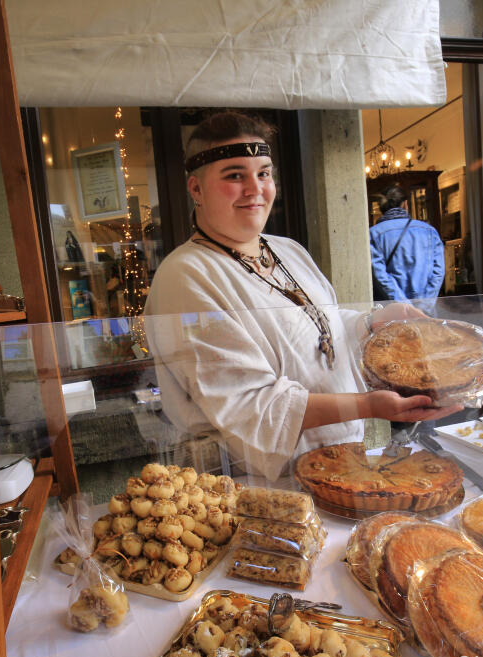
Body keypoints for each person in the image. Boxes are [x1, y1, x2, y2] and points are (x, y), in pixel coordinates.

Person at [143, 112, 460, 480]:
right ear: (195, 189)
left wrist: (376, 320)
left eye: (263, 173)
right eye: (234, 175)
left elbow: (322, 327)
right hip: (260, 486)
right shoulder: (186, 276)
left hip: (341, 464)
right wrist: (369, 405)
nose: (254, 189)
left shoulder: (287, 250)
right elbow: (249, 404)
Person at [369, 185, 444, 304]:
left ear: (381, 208)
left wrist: (404, 305)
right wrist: (426, 304)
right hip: (424, 312)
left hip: (392, 313)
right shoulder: (429, 231)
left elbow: (379, 276)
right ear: (405, 204)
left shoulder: (373, 234)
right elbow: (438, 272)